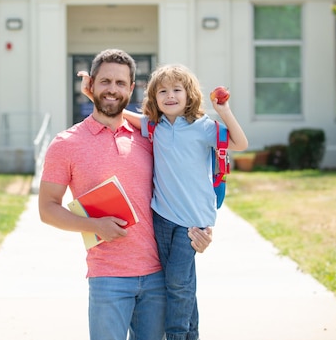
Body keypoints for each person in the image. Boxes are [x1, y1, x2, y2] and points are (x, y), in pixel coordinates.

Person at [39, 50, 212, 340]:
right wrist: (95, 226)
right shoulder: (65, 144)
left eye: (121, 83)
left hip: (158, 275)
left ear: (131, 89)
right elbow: (47, 209)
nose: (112, 89)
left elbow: (189, 184)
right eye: (105, 81)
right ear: (91, 85)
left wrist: (199, 233)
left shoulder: (152, 136)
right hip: (108, 277)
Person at [79, 64, 248, 340]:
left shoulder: (203, 127)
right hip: (162, 217)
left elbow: (239, 143)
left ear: (189, 94)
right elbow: (121, 113)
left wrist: (224, 112)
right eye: (163, 91)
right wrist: (93, 95)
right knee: (178, 284)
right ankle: (190, 334)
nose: (170, 96)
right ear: (154, 98)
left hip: (192, 222)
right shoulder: (154, 127)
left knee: (179, 285)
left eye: (177, 90)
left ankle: (177, 335)